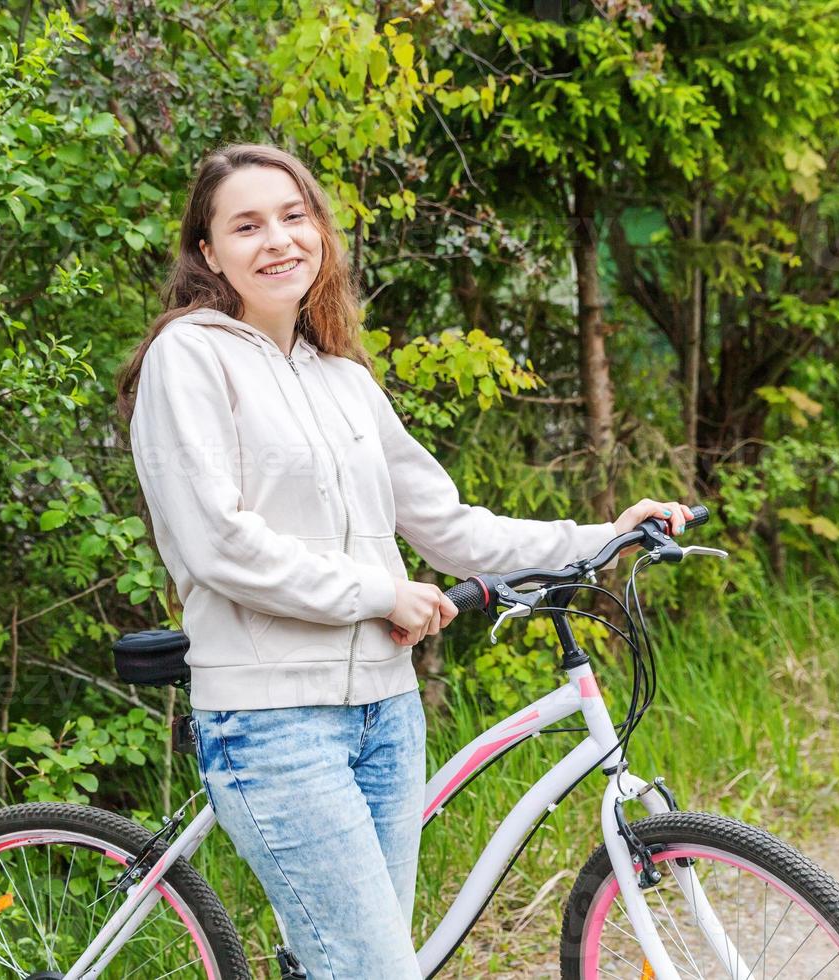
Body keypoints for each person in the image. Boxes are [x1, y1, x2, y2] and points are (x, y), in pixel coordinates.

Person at [113, 142, 691, 979]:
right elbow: (218, 542)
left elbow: (447, 524)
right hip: (274, 724)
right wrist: (378, 592)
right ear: (208, 252)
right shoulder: (188, 358)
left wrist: (597, 537)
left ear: (319, 230)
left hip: (388, 714)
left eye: (292, 215)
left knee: (350, 965)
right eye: (246, 225)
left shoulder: (342, 379)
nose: (277, 239)